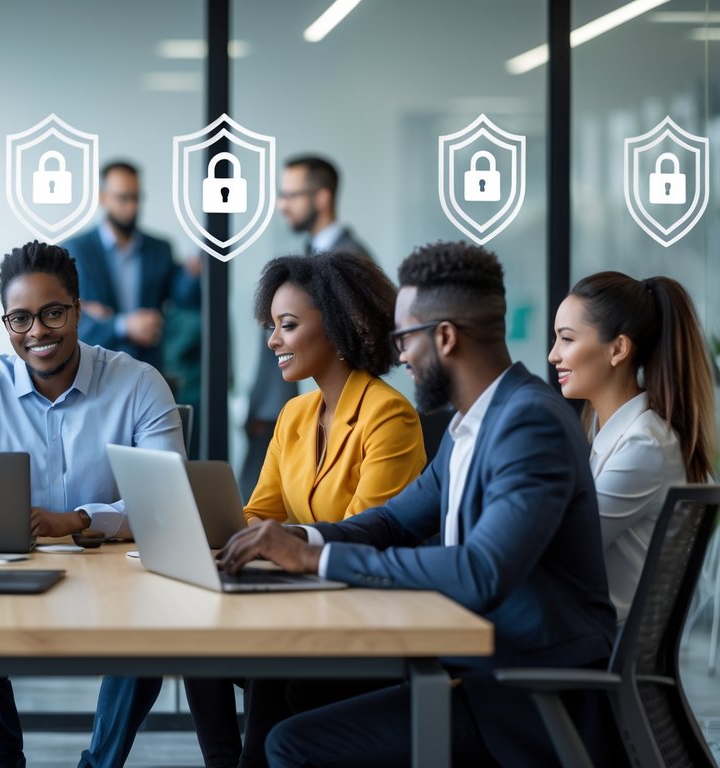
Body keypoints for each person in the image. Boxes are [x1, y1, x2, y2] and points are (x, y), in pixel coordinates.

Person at [218, 241, 618, 766]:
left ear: (445, 337)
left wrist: (317, 559)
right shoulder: (468, 425)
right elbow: (393, 520)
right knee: (283, 701)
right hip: (478, 669)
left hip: (527, 695)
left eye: (406, 338)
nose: (400, 355)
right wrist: (303, 537)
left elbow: (481, 570)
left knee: (293, 744)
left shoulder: (530, 423)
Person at [0, 241, 185, 768]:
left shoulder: (139, 384)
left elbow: (168, 506)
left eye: (52, 313)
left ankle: (100, 766)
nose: (37, 332)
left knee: (151, 629)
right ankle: (1, 764)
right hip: (11, 568)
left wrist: (73, 521)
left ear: (78, 309)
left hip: (116, 572)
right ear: (6, 322)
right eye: (20, 318)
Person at [184, 251, 426, 767]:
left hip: (366, 614)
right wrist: (247, 538)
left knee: (272, 658)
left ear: (340, 327)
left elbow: (368, 533)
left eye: (287, 326)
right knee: (196, 641)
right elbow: (257, 513)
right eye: (272, 326)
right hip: (302, 602)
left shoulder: (389, 415)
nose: (273, 341)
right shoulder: (295, 414)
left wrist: (283, 539)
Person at [549, 271, 716, 622]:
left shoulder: (645, 445)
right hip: (577, 627)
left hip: (592, 645)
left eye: (566, 339)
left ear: (619, 349)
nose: (553, 355)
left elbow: (563, 547)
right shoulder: (607, 431)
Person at [241, 155, 371, 498]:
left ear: (322, 197)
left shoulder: (349, 261)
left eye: (291, 195)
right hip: (288, 412)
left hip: (324, 415)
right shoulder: (306, 258)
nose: (282, 206)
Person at [63, 160, 199, 373]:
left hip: (148, 370)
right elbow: (69, 320)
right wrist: (123, 325)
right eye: (123, 198)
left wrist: (192, 273)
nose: (132, 207)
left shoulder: (159, 249)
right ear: (103, 198)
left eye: (136, 198)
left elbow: (181, 297)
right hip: (94, 370)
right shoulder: (76, 251)